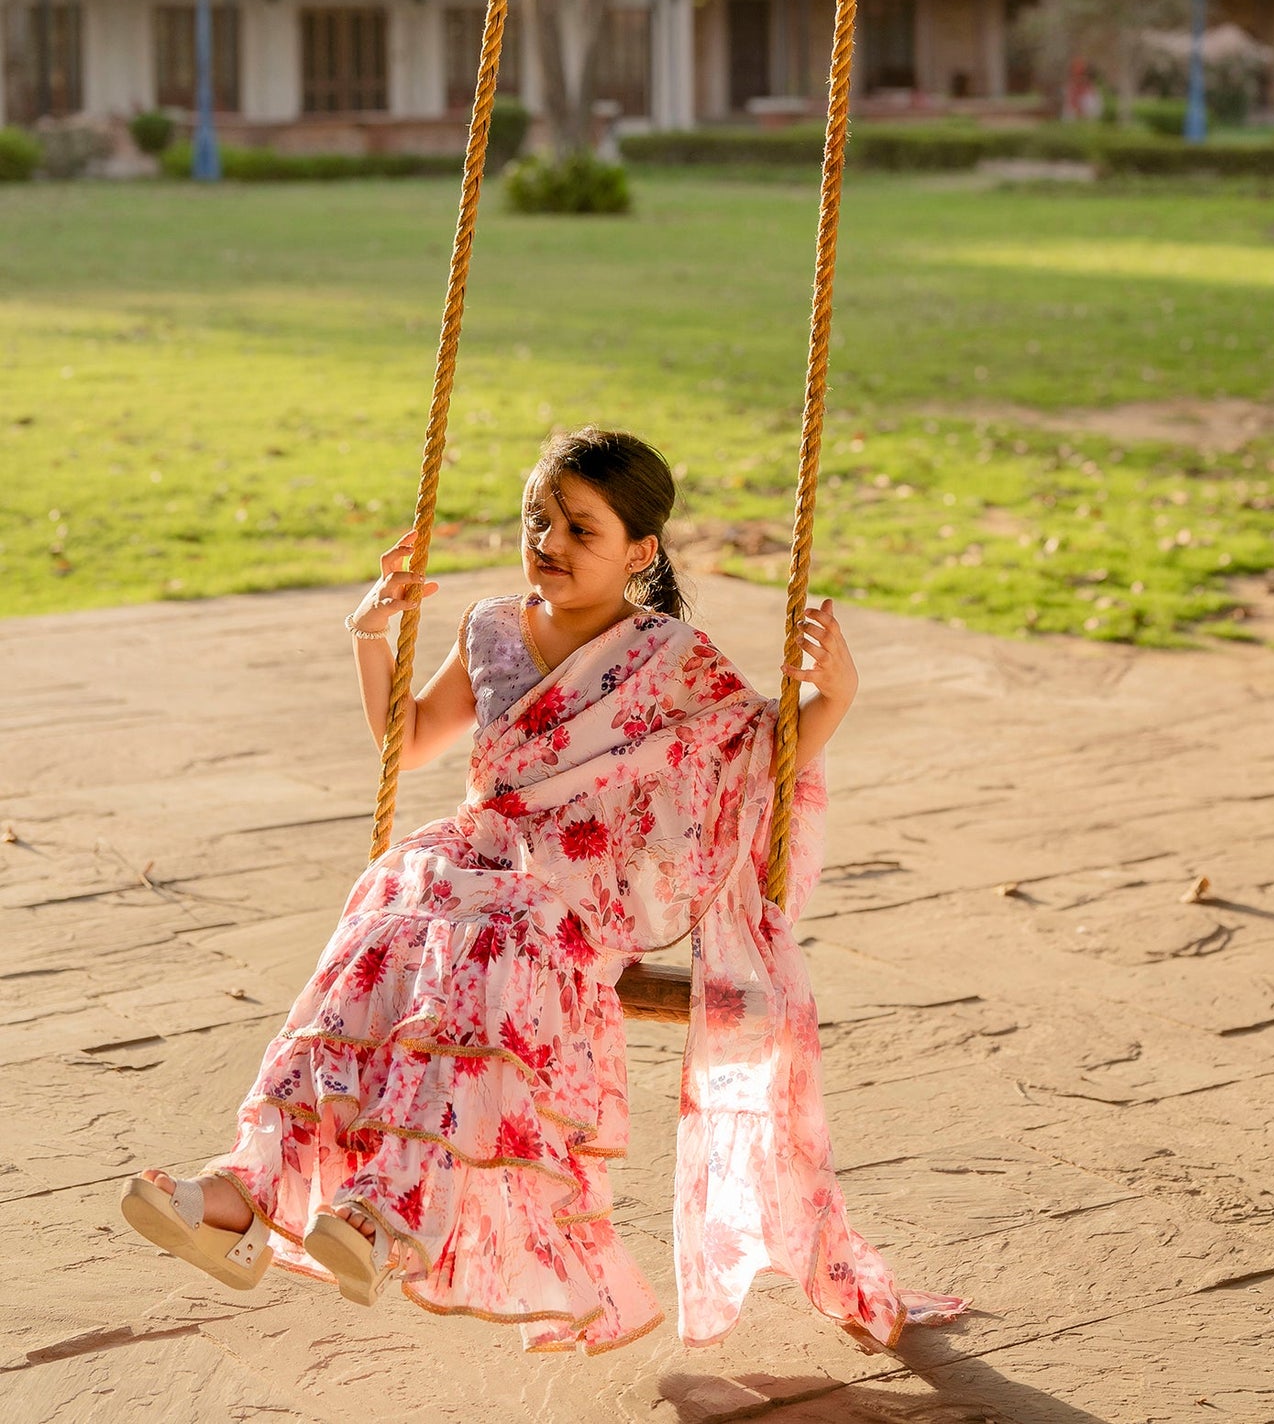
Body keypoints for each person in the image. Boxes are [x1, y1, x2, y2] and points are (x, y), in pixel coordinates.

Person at [120, 426, 962, 1351]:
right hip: (475, 859)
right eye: (538, 519)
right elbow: (406, 742)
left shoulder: (669, 656)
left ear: (640, 552)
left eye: (579, 529)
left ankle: (390, 1212)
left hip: (574, 893)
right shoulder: (490, 626)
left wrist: (832, 695)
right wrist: (367, 634)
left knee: (489, 936)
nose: (548, 543)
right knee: (385, 910)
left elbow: (759, 751)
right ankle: (249, 1188)